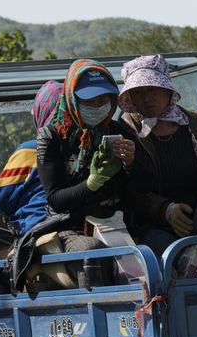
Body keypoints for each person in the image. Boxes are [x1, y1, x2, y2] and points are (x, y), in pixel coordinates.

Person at [118, 54, 197, 259]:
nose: (146, 98)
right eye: (138, 92)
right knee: (183, 259)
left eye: (152, 89)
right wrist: (166, 210)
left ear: (167, 89)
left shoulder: (194, 121)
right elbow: (127, 188)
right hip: (153, 226)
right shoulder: (126, 130)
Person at [36, 59, 135, 254]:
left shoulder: (117, 131)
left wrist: (131, 164)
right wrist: (91, 183)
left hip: (115, 222)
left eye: (102, 100)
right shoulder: (52, 136)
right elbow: (56, 199)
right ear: (72, 99)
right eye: (88, 101)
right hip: (69, 227)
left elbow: (135, 190)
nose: (97, 106)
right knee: (92, 251)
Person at [0, 80, 63, 236]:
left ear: (40, 114)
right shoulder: (83, 147)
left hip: (36, 226)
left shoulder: (29, 150)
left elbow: (0, 199)